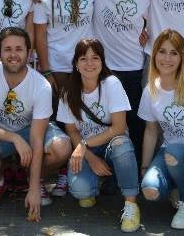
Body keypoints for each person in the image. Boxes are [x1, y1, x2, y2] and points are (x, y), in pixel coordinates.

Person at [0, 27, 71, 222]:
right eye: (7, 49)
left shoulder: (41, 84)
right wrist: (14, 138)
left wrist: (33, 189)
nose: (13, 54)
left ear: (29, 53)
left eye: (19, 49)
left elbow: (37, 137)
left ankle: (34, 179)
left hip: (30, 130)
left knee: (62, 148)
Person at [78, 0, 152, 166]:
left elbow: (149, 20)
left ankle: (135, 170)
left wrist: (146, 31)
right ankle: (105, 168)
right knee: (106, 123)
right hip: (104, 69)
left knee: (135, 124)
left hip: (133, 68)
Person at [57, 38, 141, 233]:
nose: (89, 63)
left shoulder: (111, 84)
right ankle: (97, 182)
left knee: (122, 147)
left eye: (95, 58)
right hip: (88, 149)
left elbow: (119, 127)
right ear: (76, 64)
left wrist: (84, 145)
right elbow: (72, 131)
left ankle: (131, 204)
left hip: (112, 143)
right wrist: (90, 157)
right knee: (81, 191)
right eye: (83, 58)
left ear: (102, 61)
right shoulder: (68, 92)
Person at [33, 0, 95, 196]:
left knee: (81, 121)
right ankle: (60, 173)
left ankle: (78, 171)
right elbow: (40, 34)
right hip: (57, 66)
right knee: (60, 122)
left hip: (87, 65)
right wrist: (47, 70)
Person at [139, 29, 184, 229]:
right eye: (162, 51)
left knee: (174, 153)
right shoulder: (150, 90)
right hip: (170, 153)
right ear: (154, 54)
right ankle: (178, 185)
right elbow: (151, 131)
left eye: (174, 53)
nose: (167, 58)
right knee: (150, 190)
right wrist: (145, 167)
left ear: (182, 57)